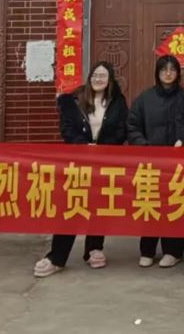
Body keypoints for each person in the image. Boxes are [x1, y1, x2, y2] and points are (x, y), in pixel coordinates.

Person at [33, 61, 128, 278]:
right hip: (78, 162)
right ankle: (57, 257)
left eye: (103, 76)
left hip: (104, 162)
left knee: (100, 206)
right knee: (72, 206)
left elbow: (121, 130)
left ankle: (94, 249)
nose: (98, 79)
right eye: (95, 75)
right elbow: (66, 129)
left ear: (110, 80)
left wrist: (103, 148)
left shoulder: (118, 102)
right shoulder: (75, 99)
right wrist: (84, 146)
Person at [127, 55, 184, 269]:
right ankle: (147, 250)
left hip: (178, 161)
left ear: (178, 73)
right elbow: (132, 126)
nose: (168, 73)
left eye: (172, 69)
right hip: (150, 161)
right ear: (158, 73)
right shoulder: (145, 98)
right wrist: (144, 145)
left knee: (174, 204)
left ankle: (173, 251)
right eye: (164, 69)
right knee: (150, 203)